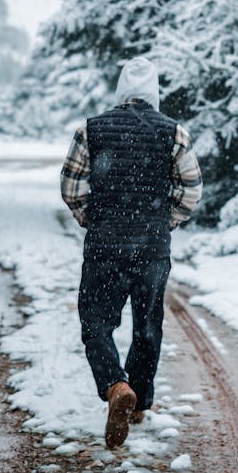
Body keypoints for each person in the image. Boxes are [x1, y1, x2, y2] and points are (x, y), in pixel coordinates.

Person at [61, 57, 202, 449]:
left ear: (120, 91)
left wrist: (94, 218)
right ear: (154, 94)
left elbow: (71, 186)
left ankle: (115, 384)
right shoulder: (174, 132)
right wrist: (164, 221)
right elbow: (191, 189)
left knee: (96, 321)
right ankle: (138, 400)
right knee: (147, 324)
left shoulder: (91, 129)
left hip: (106, 242)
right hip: (152, 246)